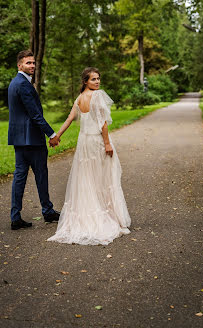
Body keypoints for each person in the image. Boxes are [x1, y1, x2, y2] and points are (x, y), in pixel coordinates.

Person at [48, 67, 131, 245]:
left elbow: (69, 119)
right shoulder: (97, 95)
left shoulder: (79, 98)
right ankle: (105, 216)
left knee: (88, 178)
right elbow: (102, 123)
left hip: (84, 143)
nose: (97, 82)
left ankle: (94, 212)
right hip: (95, 142)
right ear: (85, 81)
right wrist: (107, 143)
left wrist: (57, 136)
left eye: (98, 78)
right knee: (102, 178)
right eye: (93, 79)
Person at [8, 50, 60, 230]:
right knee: (41, 175)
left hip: (19, 140)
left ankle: (15, 217)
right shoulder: (23, 84)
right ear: (19, 65)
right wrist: (52, 134)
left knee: (19, 177)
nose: (32, 66)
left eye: (33, 63)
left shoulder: (14, 83)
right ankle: (48, 211)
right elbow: (35, 115)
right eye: (28, 63)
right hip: (32, 140)